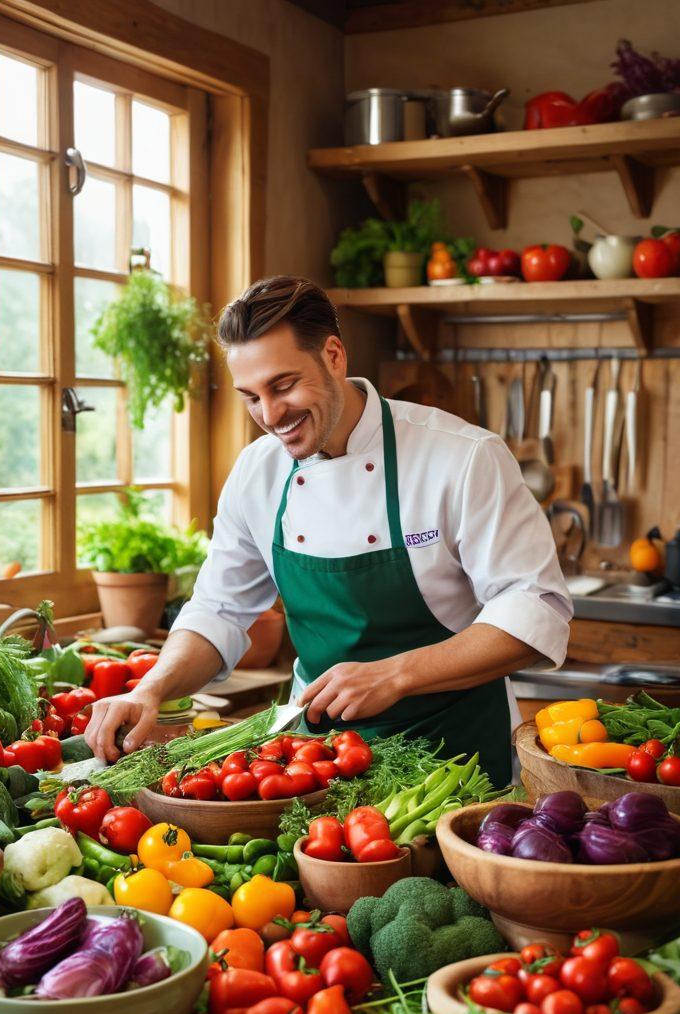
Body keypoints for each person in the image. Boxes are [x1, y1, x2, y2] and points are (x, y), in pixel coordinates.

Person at [86, 276, 572, 786]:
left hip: (455, 757)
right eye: (250, 397)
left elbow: (536, 611)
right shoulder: (257, 473)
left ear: (334, 355)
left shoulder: (462, 457)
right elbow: (219, 610)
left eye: (283, 385)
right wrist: (151, 689)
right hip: (313, 763)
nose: (270, 416)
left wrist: (396, 674)